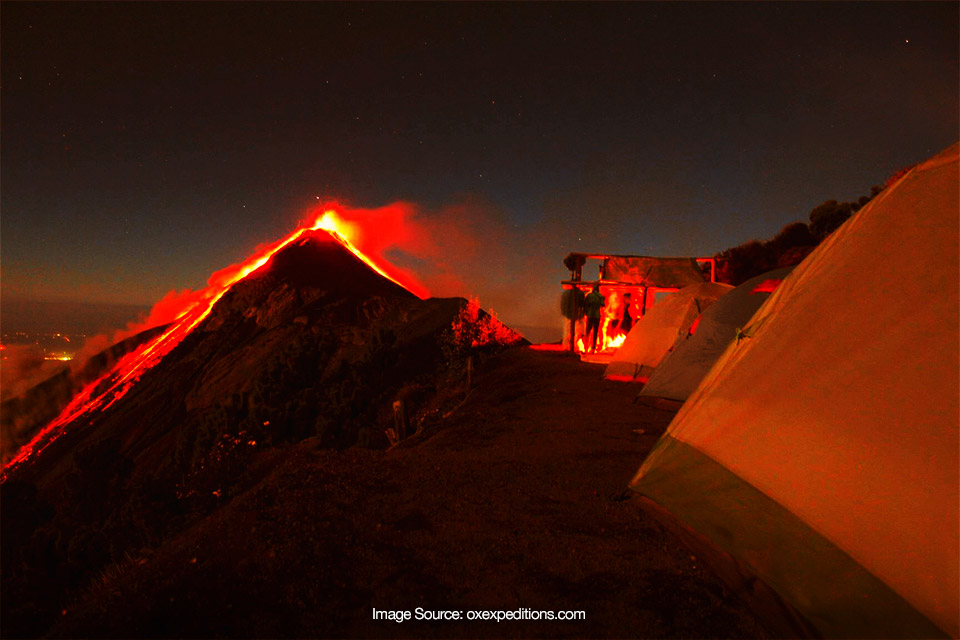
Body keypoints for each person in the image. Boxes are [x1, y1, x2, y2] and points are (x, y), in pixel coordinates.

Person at [583, 284, 605, 353]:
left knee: (588, 332)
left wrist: (586, 312)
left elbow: (585, 304)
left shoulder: (589, 296)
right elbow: (603, 305)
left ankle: (586, 347)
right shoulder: (600, 296)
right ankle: (593, 349)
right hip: (597, 316)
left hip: (590, 315)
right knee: (595, 333)